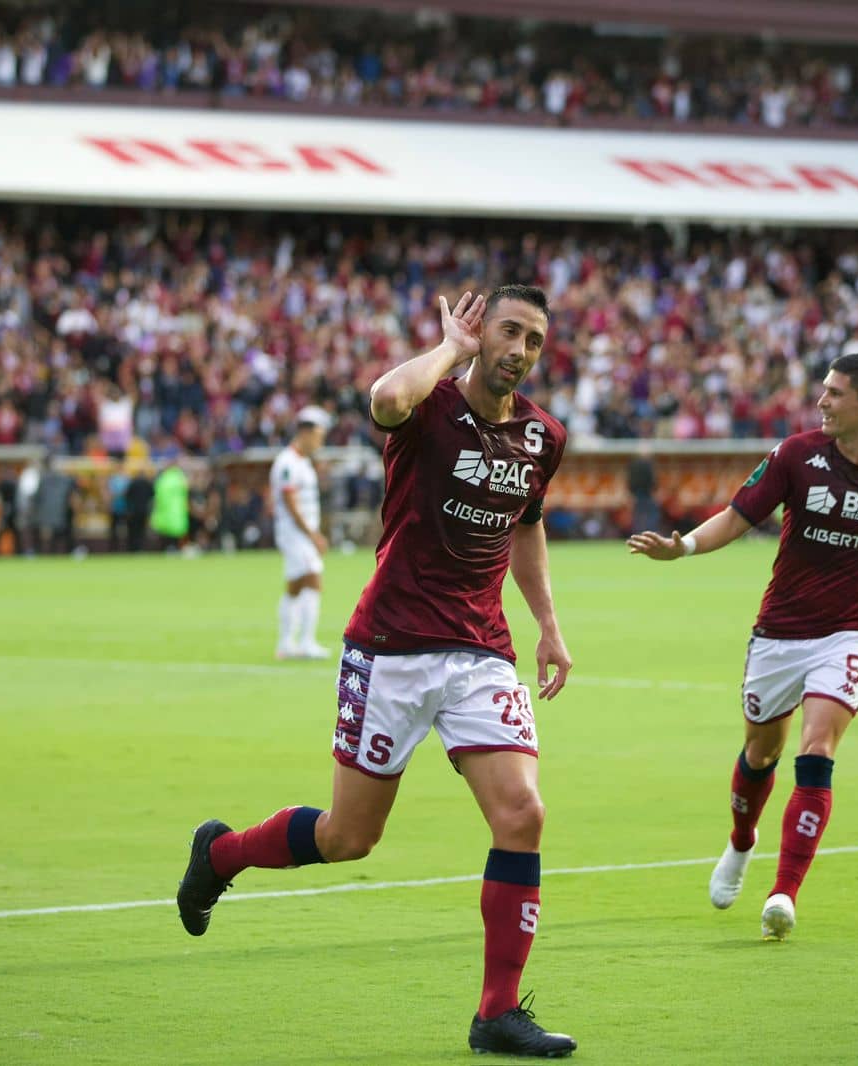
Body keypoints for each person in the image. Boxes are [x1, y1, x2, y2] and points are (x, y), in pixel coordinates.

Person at [176, 286, 577, 1058]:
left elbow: (527, 527)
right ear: (476, 333)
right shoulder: (427, 408)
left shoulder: (542, 438)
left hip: (481, 653)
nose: (520, 350)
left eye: (533, 338)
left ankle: (497, 1012)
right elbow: (386, 396)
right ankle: (221, 854)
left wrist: (548, 625)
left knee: (523, 815)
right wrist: (450, 352)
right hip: (390, 647)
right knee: (349, 837)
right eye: (507, 332)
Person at [628, 350, 858, 943]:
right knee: (761, 753)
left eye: (835, 393)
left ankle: (783, 892)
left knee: (818, 748)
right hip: (779, 633)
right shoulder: (796, 455)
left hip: (850, 632)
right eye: (823, 391)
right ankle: (740, 842)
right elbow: (737, 516)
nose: (822, 401)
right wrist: (680, 549)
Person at [270, 406, 333, 659]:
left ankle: (286, 643)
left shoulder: (303, 462)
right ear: (305, 433)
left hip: (301, 534)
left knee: (295, 587)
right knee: (314, 579)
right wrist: (313, 534)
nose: (320, 441)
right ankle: (306, 642)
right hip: (294, 534)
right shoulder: (287, 462)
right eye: (318, 435)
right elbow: (290, 503)